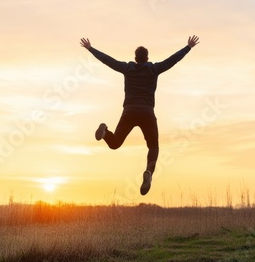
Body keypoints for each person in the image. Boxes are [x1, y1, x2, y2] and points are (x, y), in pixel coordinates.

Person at [80, 35, 200, 195]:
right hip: (147, 113)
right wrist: (188, 47)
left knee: (115, 143)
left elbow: (108, 61)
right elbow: (172, 60)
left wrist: (90, 48)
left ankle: (105, 132)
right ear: (147, 58)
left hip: (129, 111)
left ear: (135, 58)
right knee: (153, 146)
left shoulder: (127, 68)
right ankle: (149, 172)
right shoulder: (154, 69)